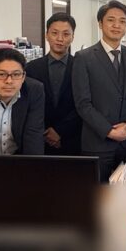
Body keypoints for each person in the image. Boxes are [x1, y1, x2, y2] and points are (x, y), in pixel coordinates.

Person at [71, 0, 126, 177]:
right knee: (97, 192)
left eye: (122, 21)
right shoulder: (83, 58)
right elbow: (83, 104)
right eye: (111, 20)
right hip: (97, 142)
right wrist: (109, 131)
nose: (116, 25)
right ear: (100, 23)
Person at [26, 12, 81, 154]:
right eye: (54, 33)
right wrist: (46, 131)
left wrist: (60, 131)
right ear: (46, 35)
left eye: (66, 34)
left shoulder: (81, 67)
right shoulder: (31, 68)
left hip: (73, 139)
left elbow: (84, 104)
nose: (60, 39)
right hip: (39, 139)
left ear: (73, 37)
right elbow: (28, 105)